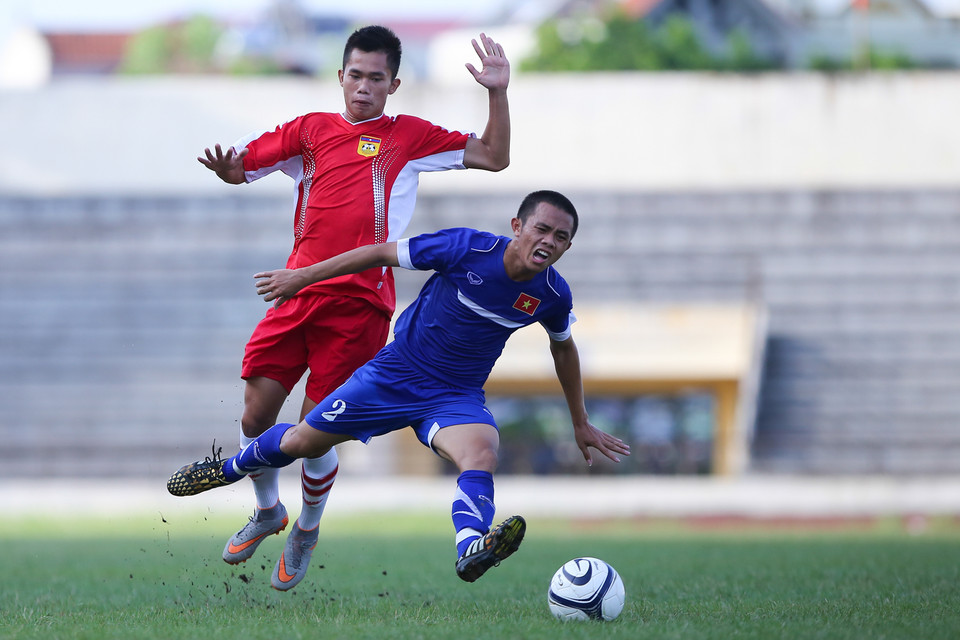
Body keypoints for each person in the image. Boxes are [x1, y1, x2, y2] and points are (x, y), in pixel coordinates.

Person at [168, 190, 631, 591]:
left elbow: (564, 349)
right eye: (542, 229)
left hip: (455, 394)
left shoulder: (553, 294)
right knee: (297, 444)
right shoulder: (465, 248)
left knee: (483, 451)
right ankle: (229, 469)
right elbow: (378, 254)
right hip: (393, 375)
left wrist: (580, 421)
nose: (549, 242)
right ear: (517, 226)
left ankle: (471, 546)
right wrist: (303, 276)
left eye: (562, 238)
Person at [195, 25, 512, 575]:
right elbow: (244, 164)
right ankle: (269, 511)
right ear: (340, 76)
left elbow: (494, 156)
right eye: (356, 75)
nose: (364, 87)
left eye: (376, 79)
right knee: (255, 414)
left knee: (315, 429)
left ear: (393, 84)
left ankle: (308, 528)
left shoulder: (410, 137)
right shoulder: (309, 130)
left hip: (361, 306)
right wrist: (229, 172)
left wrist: (497, 91)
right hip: (295, 291)